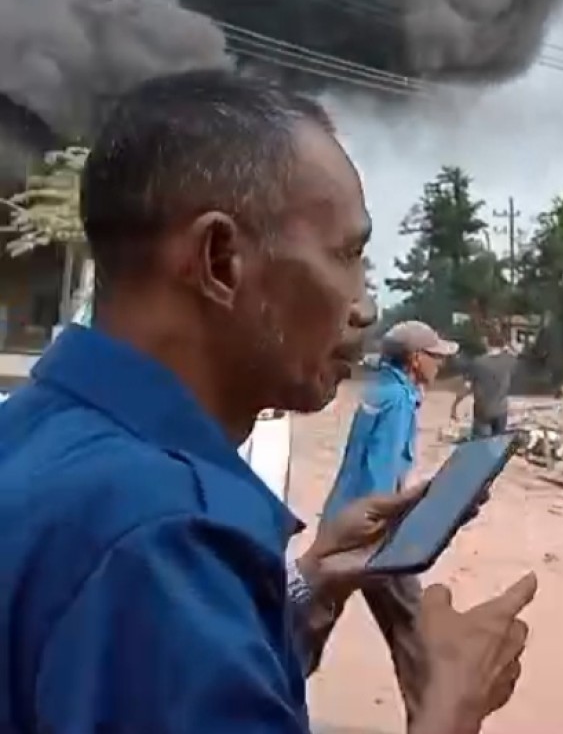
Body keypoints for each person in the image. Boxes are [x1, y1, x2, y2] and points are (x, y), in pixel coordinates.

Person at [0, 70, 535, 734]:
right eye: (347, 254)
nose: (365, 305)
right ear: (221, 259)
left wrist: (308, 585)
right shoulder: (160, 538)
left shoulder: (31, 432)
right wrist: (450, 708)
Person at [307, 320, 459, 715]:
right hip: (369, 532)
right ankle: (433, 722)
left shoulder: (379, 389)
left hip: (339, 524)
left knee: (306, 629)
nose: (439, 364)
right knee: (413, 632)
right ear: (414, 360)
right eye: (435, 356)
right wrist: (392, 523)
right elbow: (381, 475)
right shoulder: (399, 401)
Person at [452, 327, 518, 437]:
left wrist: (455, 405)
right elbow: (516, 354)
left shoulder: (478, 362)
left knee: (481, 445)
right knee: (497, 445)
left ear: (486, 341)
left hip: (482, 412)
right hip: (501, 411)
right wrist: (508, 348)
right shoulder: (509, 360)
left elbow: (467, 387)